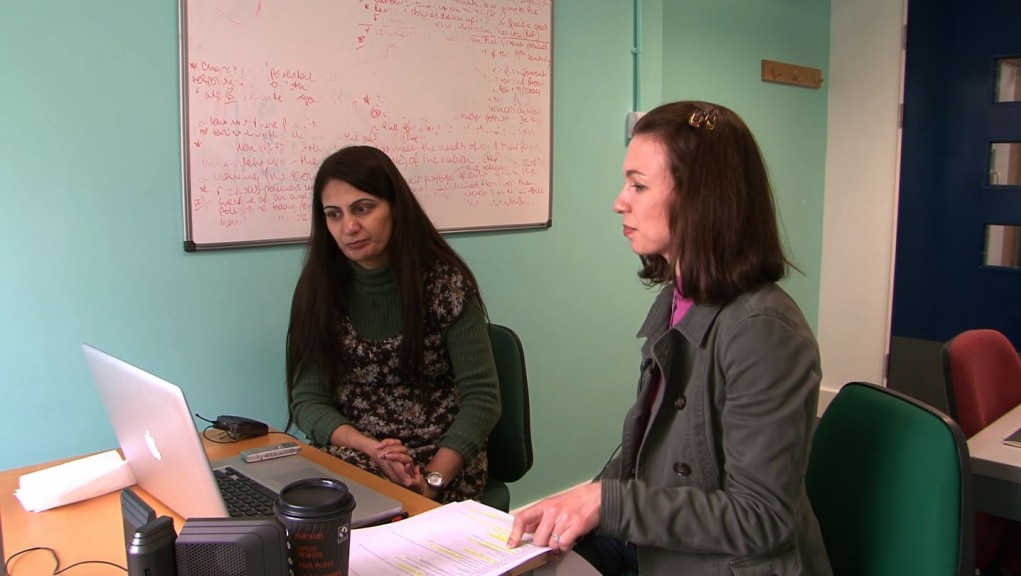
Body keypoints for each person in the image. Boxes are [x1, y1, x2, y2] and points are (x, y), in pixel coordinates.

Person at [507, 101, 834, 575]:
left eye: (638, 185)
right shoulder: (680, 299)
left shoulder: (763, 332)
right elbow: (654, 455)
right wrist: (573, 503)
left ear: (700, 199)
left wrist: (608, 502)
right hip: (660, 547)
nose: (620, 201)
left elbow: (762, 519)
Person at [285, 145, 501, 504]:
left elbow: (483, 399)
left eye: (363, 208)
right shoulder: (318, 290)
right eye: (334, 214)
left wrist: (431, 481)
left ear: (395, 207)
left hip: (438, 461)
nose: (349, 227)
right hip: (356, 454)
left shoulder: (445, 285)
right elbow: (307, 399)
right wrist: (370, 448)